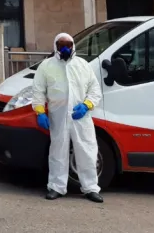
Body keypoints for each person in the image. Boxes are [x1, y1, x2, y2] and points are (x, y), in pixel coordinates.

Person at [32, 32, 103, 203]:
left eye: (68, 44)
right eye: (61, 44)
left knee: (87, 151)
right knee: (58, 151)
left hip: (81, 117)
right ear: (55, 46)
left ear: (73, 46)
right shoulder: (46, 66)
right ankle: (56, 187)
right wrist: (40, 112)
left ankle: (91, 188)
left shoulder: (83, 65)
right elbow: (38, 91)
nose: (65, 48)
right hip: (58, 116)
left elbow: (95, 90)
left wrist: (87, 105)